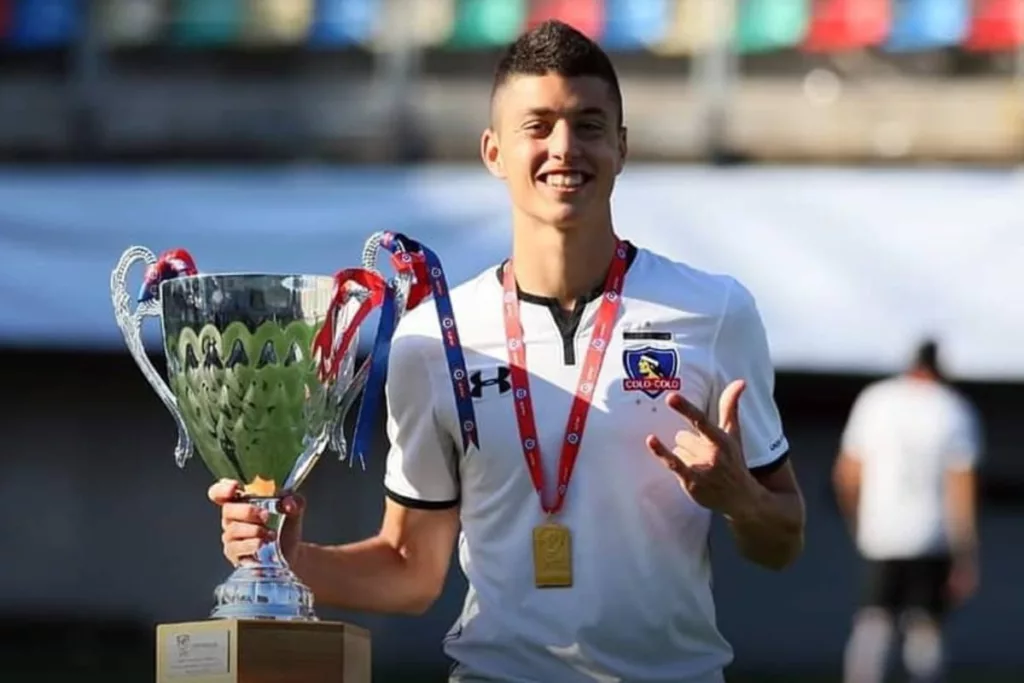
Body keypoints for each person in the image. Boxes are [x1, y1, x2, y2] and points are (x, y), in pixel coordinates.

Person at [211, 21, 805, 683]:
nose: (564, 147)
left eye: (588, 124)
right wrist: (289, 559)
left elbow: (783, 539)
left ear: (622, 145)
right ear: (493, 151)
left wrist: (741, 497)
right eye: (539, 124)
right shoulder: (432, 339)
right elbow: (411, 569)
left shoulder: (714, 310)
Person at [834, 340, 982, 683]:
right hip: (933, 536)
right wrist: (967, 553)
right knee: (925, 624)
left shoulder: (875, 401)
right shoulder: (954, 408)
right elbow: (962, 485)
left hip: (880, 533)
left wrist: (858, 522)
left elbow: (847, 474)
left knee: (874, 618)